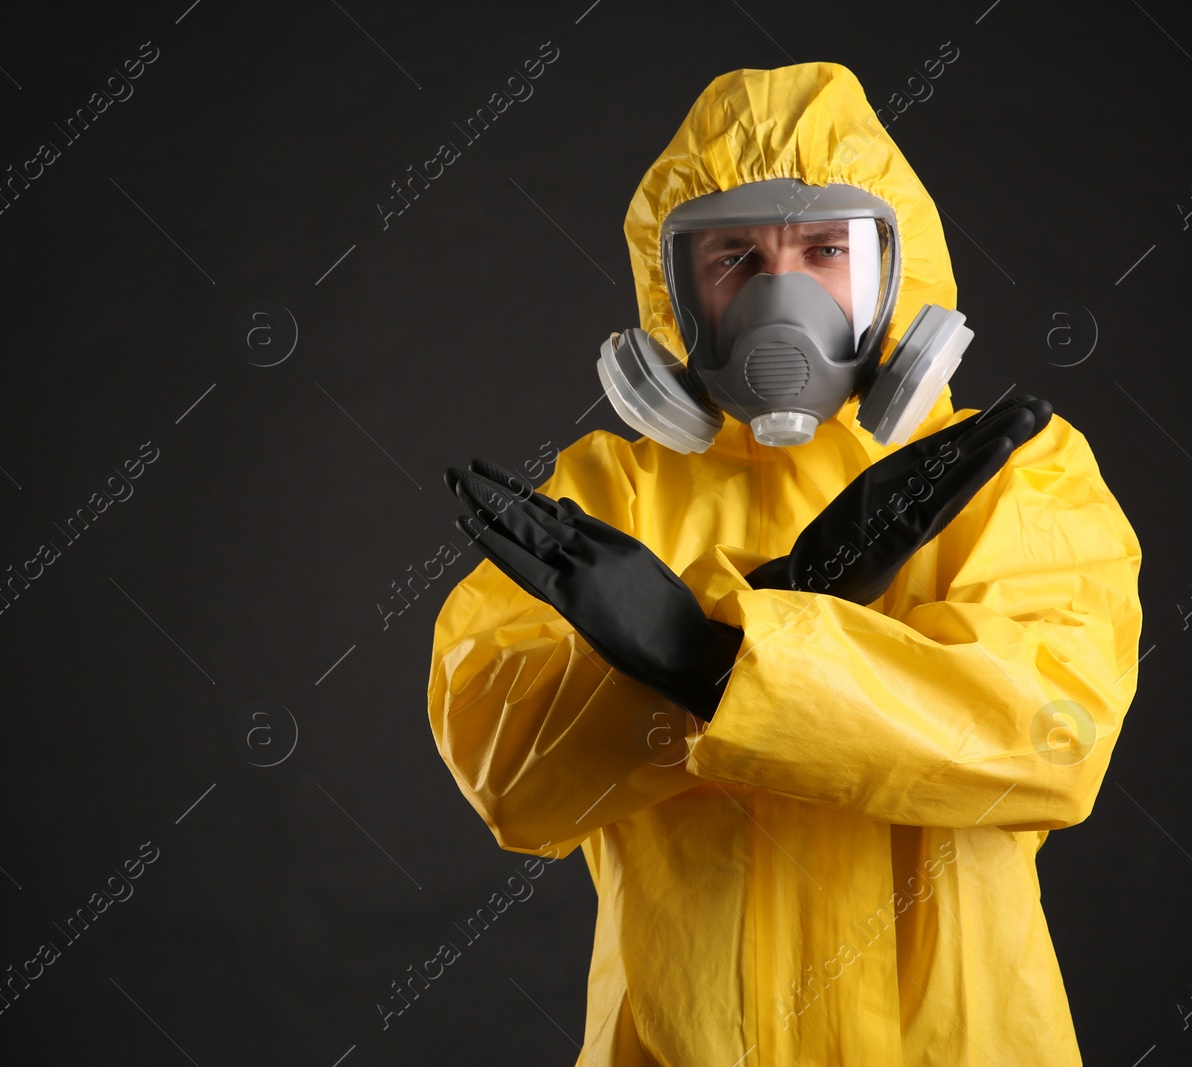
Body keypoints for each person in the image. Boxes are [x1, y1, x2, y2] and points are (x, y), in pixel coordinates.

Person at [426, 61, 1143, 1065]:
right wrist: (764, 619)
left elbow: (1048, 735)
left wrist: (708, 660)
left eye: (823, 249)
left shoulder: (1012, 479)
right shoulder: (603, 496)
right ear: (674, 289)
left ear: (898, 270)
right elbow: (514, 783)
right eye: (732, 256)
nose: (782, 296)